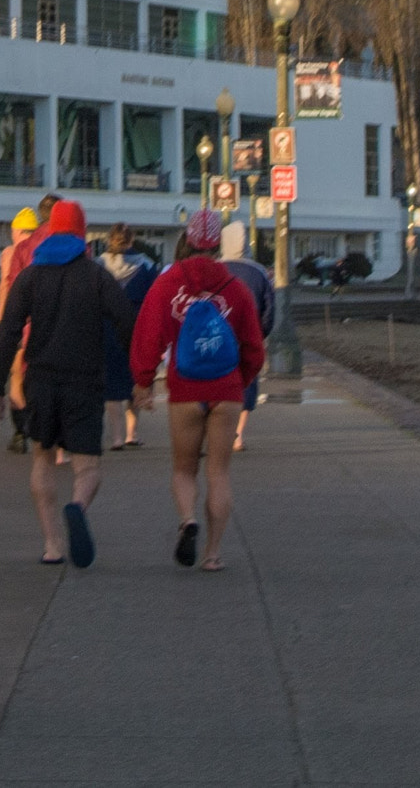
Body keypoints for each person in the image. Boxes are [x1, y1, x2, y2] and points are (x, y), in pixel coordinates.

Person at [0, 200, 138, 567]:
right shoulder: (96, 276)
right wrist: (141, 375)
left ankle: (52, 545)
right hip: (85, 380)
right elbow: (126, 324)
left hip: (40, 380)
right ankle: (77, 506)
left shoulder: (30, 277)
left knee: (42, 459)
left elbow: (9, 330)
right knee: (87, 467)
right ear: (82, 233)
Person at [131, 209, 266, 573]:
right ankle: (213, 554)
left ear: (188, 242)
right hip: (226, 389)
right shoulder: (235, 289)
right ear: (218, 245)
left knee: (184, 468)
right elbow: (254, 347)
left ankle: (188, 519)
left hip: (186, 388)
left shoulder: (168, 283)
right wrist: (241, 379)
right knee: (219, 473)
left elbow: (148, 335)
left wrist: (143, 381)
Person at [0, 195, 60, 452]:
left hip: (21, 321)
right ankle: (54, 434)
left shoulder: (15, 251)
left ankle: (21, 429)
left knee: (18, 377)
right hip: (57, 325)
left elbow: (10, 287)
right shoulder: (71, 244)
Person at [99, 224, 158, 449]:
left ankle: (116, 436)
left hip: (108, 327)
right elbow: (153, 300)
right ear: (131, 239)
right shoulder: (146, 264)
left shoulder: (99, 265)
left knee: (112, 385)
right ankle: (132, 433)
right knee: (136, 377)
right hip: (137, 326)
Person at [219, 220, 275, 451]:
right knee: (247, 383)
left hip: (218, 336)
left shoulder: (215, 268)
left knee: (219, 383)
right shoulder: (258, 272)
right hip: (248, 336)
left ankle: (219, 430)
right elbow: (269, 308)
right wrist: (260, 334)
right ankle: (237, 435)